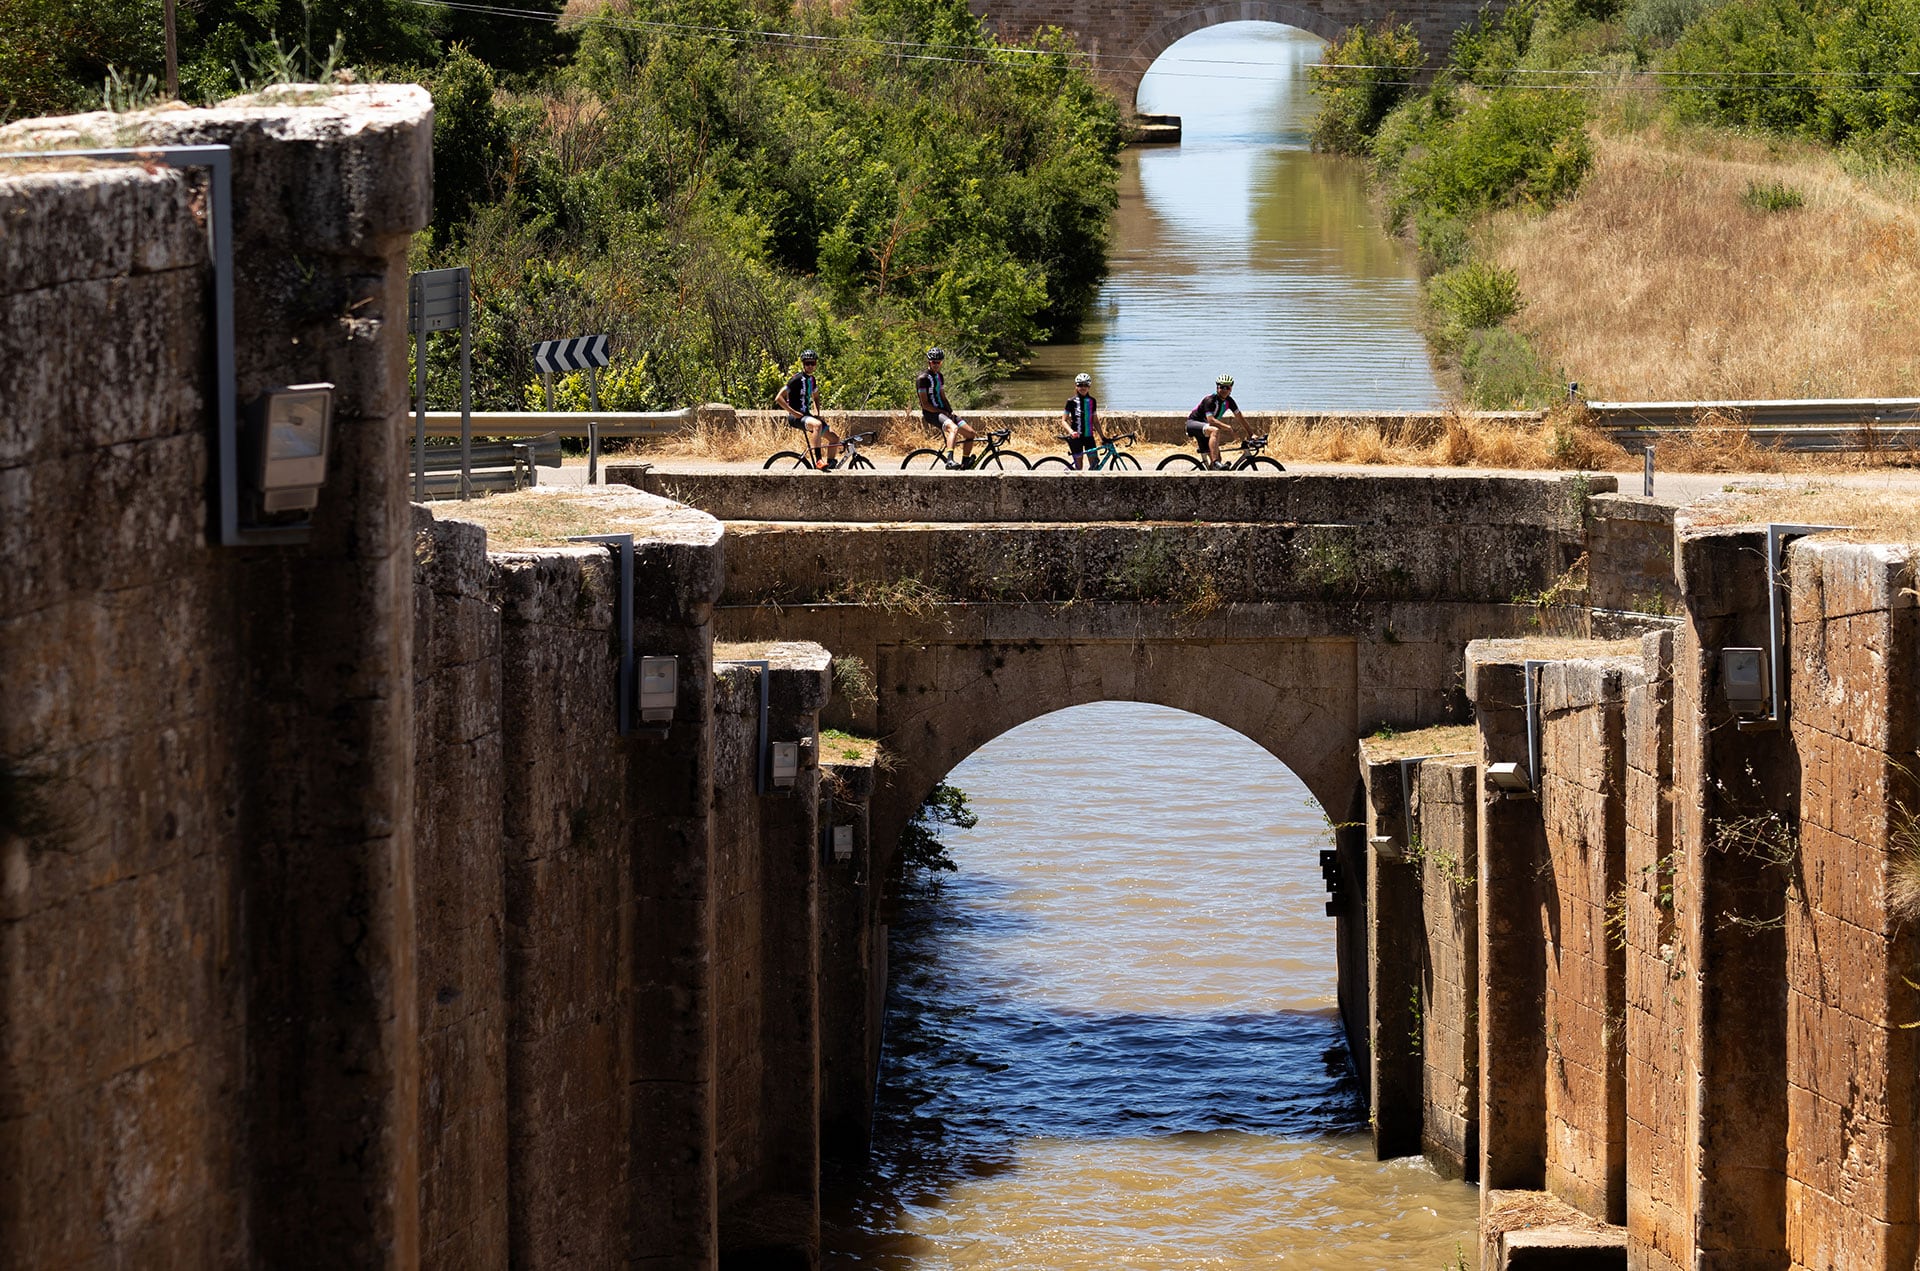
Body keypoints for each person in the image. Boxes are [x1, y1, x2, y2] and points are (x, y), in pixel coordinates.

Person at [775, 350, 840, 468]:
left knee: (835, 439)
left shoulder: (812, 380)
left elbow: (816, 397)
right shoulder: (796, 379)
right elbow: (778, 398)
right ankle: (818, 460)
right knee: (817, 425)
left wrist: (817, 412)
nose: (810, 366)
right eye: (807, 363)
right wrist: (794, 412)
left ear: (815, 364)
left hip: (807, 415)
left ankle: (830, 465)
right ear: (803, 364)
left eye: (813, 363)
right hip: (795, 418)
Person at [916, 347, 976, 468]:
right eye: (934, 362)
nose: (936, 365)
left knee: (971, 433)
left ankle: (965, 462)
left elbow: (943, 397)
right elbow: (925, 404)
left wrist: (950, 412)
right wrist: (942, 412)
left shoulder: (939, 376)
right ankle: (949, 461)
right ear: (929, 362)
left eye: (939, 362)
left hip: (943, 412)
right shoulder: (922, 379)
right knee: (953, 429)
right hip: (931, 413)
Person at [1186, 374, 1243, 469]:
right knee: (1215, 430)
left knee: (1218, 464)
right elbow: (1211, 420)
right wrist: (1228, 427)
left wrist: (1251, 434)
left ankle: (1214, 468)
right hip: (1193, 423)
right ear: (1217, 387)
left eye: (1227, 387)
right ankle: (1215, 462)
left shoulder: (1229, 401)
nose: (1225, 390)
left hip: (1206, 428)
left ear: (1231, 388)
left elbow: (1240, 418)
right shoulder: (1210, 400)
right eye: (1222, 387)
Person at [1060, 372, 1104, 470]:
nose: (1083, 387)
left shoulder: (1093, 401)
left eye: (1085, 385)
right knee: (1079, 468)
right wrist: (1071, 432)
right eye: (1080, 385)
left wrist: (1102, 437)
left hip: (1089, 437)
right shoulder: (1071, 401)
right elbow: (1063, 420)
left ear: (1089, 386)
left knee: (1094, 466)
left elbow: (1095, 421)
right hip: (1076, 438)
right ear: (1076, 386)